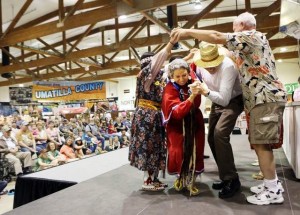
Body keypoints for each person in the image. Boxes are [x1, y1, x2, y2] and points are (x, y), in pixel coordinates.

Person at [171, 12, 287, 205]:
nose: (233, 32)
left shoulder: (251, 36)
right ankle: (268, 184)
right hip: (256, 99)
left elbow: (217, 37)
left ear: (241, 25)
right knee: (256, 143)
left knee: (255, 143)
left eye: (234, 27)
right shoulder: (246, 47)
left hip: (261, 97)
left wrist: (186, 31)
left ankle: (272, 189)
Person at [190, 43, 244, 198]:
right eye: (207, 65)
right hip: (215, 98)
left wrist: (205, 91)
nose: (210, 68)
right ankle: (226, 177)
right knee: (212, 138)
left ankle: (232, 179)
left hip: (233, 99)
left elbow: (225, 100)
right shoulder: (199, 66)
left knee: (220, 134)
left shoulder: (228, 67)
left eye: (213, 64)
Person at [129, 35, 178, 191]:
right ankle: (147, 180)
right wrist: (170, 43)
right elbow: (159, 63)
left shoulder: (153, 76)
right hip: (147, 116)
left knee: (156, 147)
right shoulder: (145, 74)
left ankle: (154, 178)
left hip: (153, 115)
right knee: (149, 147)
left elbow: (169, 70)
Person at [161, 58, 205, 196]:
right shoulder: (169, 89)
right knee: (178, 151)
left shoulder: (193, 83)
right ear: (172, 76)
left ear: (188, 73)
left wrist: (196, 94)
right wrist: (191, 98)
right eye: (177, 76)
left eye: (184, 75)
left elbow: (196, 104)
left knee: (195, 150)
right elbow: (177, 113)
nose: (181, 79)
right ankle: (181, 178)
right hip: (177, 127)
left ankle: (192, 180)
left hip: (194, 123)